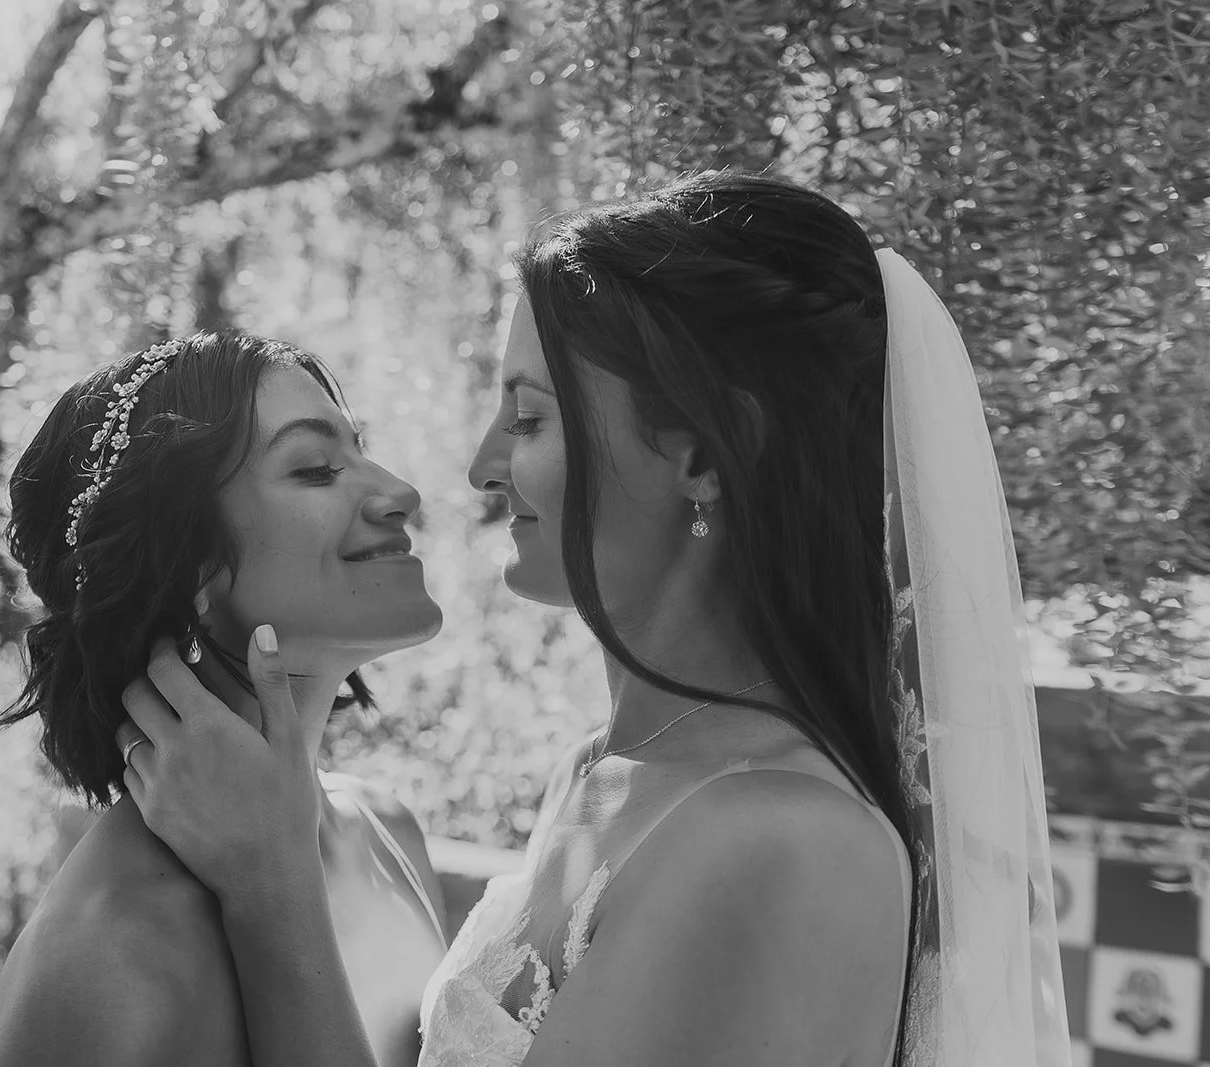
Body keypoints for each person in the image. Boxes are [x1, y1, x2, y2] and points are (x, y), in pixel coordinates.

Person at [114, 172, 1072, 1065]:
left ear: (702, 459)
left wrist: (270, 886)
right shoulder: (596, 772)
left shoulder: (789, 843)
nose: (481, 467)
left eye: (530, 418)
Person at [0, 330, 449, 1067]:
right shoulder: (116, 954)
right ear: (187, 562)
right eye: (317, 469)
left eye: (362, 451)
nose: (400, 493)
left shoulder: (389, 831)